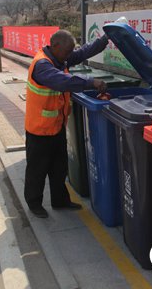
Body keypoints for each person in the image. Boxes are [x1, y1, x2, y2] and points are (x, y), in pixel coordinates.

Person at [24, 30, 108, 218]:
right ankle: (34, 203)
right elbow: (62, 81)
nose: (70, 56)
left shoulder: (60, 58)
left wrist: (104, 39)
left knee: (59, 167)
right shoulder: (42, 65)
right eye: (67, 51)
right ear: (55, 47)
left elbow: (83, 52)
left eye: (71, 51)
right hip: (39, 129)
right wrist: (91, 82)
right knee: (37, 170)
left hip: (56, 126)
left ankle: (60, 200)